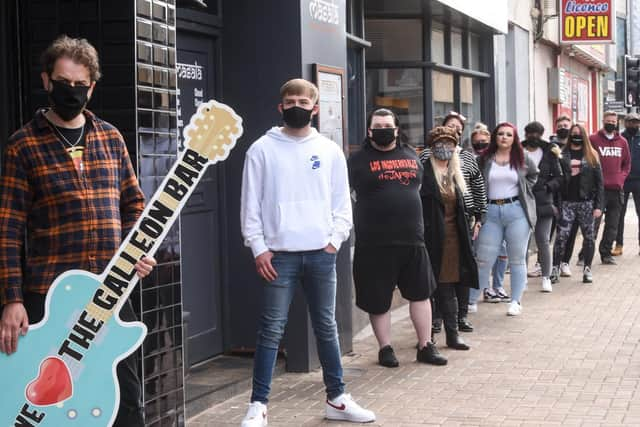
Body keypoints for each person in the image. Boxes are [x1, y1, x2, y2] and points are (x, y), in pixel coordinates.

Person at [0, 35, 156, 426]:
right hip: (49, 299)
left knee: (125, 400)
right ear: (46, 81)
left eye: (80, 85)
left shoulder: (110, 138)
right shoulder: (23, 146)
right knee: (55, 409)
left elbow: (134, 205)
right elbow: (8, 227)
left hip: (111, 291)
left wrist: (138, 248)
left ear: (93, 87)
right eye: (63, 83)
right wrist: (12, 299)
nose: (72, 91)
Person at [240, 78, 375, 426]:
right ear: (280, 107)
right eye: (291, 100)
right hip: (278, 256)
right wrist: (258, 248)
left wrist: (334, 241)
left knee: (327, 327)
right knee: (271, 330)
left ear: (315, 108)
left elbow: (341, 203)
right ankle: (258, 406)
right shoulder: (261, 149)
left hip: (320, 253)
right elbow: (250, 205)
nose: (297, 105)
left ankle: (337, 398)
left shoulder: (329, 150)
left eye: (304, 100)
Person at [348, 108, 446, 368]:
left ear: (396, 129)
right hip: (374, 242)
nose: (383, 130)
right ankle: (385, 348)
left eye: (387, 125)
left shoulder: (411, 155)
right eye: (377, 126)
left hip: (412, 240)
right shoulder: (356, 161)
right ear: (369, 131)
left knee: (421, 294)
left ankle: (426, 345)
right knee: (378, 298)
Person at [421, 112, 486, 333]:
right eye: (450, 127)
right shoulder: (423, 161)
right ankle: (437, 316)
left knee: (463, 270)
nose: (445, 145)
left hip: (463, 223)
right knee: (440, 273)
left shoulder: (466, 159)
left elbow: (478, 188)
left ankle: (461, 316)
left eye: (457, 129)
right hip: (434, 227)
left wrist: (479, 217)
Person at [470, 122, 538, 316]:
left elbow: (534, 175)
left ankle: (516, 300)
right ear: (495, 136)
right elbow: (476, 181)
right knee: (483, 258)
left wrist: (524, 190)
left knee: (517, 259)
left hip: (516, 211)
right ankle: (472, 298)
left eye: (509, 134)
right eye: (500, 134)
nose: (504, 137)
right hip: (490, 211)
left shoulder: (523, 157)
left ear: (514, 138)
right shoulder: (485, 159)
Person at [551, 124, 603, 284]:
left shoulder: (592, 155)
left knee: (589, 238)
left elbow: (600, 183)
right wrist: (554, 203)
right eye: (573, 134)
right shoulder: (561, 154)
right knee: (561, 237)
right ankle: (555, 268)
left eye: (579, 134)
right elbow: (555, 179)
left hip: (586, 203)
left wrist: (598, 206)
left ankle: (587, 269)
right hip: (566, 202)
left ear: (585, 136)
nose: (576, 136)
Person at [469, 123, 509, 306]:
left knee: (502, 250)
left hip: (498, 209)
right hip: (480, 212)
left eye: (484, 142)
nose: (481, 145)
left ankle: (498, 286)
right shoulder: (470, 160)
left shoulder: (496, 159)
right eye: (477, 142)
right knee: (482, 253)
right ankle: (482, 288)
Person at [522, 121, 563, 292]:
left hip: (544, 201)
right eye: (530, 133)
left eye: (537, 133)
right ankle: (521, 276)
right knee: (522, 241)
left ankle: (546, 277)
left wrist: (548, 187)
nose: (534, 137)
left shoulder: (549, 150)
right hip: (522, 200)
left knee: (543, 240)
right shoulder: (518, 149)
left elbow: (559, 176)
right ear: (525, 134)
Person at [589, 111, 631, 265]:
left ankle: (606, 253)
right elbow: (588, 159)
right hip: (598, 190)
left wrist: (621, 178)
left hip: (616, 189)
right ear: (603, 121)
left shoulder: (623, 142)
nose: (611, 123)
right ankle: (585, 254)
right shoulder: (593, 139)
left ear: (617, 123)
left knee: (613, 224)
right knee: (593, 224)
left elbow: (627, 164)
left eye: (613, 121)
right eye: (608, 121)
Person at [613, 113, 640, 256]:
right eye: (630, 122)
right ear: (625, 123)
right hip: (623, 181)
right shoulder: (620, 138)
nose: (633, 125)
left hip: (639, 181)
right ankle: (619, 244)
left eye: (636, 122)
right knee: (619, 215)